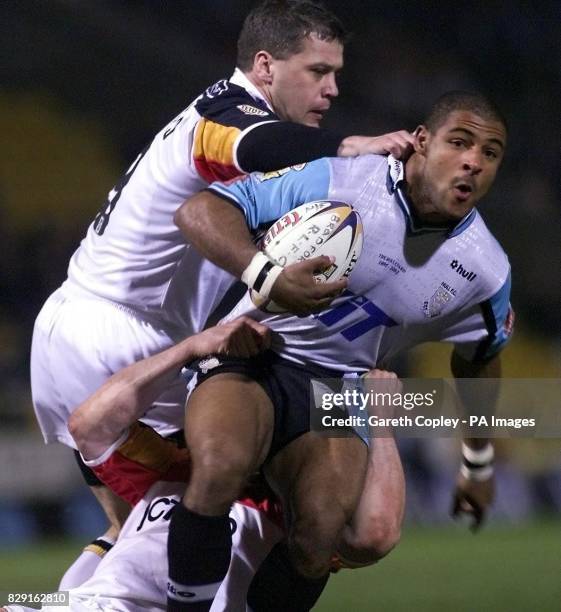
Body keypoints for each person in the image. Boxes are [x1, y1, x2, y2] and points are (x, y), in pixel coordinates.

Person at [29, 0, 413, 588]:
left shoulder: (235, 124)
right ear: (264, 66)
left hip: (85, 329)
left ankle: (46, 604)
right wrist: (347, 147)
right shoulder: (227, 117)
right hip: (123, 337)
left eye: (336, 73)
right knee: (251, 501)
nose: (333, 88)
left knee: (139, 524)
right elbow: (258, 148)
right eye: (317, 71)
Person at [171, 90, 513, 610]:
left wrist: (479, 462)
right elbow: (200, 211)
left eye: (490, 153)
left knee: (319, 536)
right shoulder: (341, 178)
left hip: (337, 389)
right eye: (459, 142)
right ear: (421, 141)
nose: (473, 161)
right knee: (221, 464)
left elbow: (480, 360)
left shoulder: (486, 271)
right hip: (253, 349)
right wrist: (268, 276)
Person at [2, 320, 403, 612]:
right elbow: (88, 425)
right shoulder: (179, 470)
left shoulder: (298, 512)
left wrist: (382, 425)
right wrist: (190, 348)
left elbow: (376, 534)